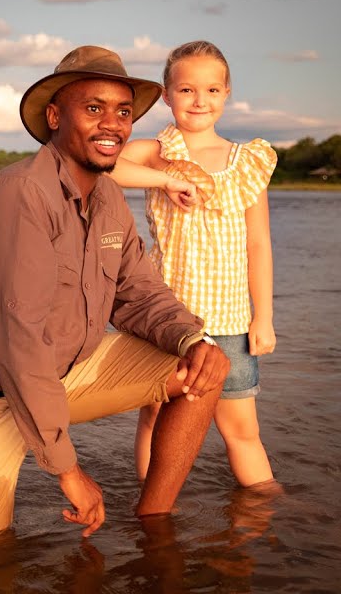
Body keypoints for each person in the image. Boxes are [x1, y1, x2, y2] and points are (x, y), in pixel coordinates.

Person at [0, 45, 230, 545]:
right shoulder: (20, 195)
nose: (112, 124)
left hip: (62, 376)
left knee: (205, 367)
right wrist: (68, 471)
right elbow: (20, 342)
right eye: (94, 108)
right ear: (55, 116)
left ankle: (152, 527)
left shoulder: (108, 200)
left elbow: (139, 294)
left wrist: (193, 339)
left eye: (123, 112)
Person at [109, 40, 279, 489]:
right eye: (186, 90)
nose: (199, 101)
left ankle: (270, 517)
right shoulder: (156, 151)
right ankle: (152, 516)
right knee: (154, 420)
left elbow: (259, 244)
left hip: (230, 321)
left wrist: (264, 318)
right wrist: (165, 179)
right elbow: (102, 167)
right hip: (167, 317)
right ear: (167, 95)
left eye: (211, 90)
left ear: (227, 94)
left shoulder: (248, 162)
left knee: (242, 431)